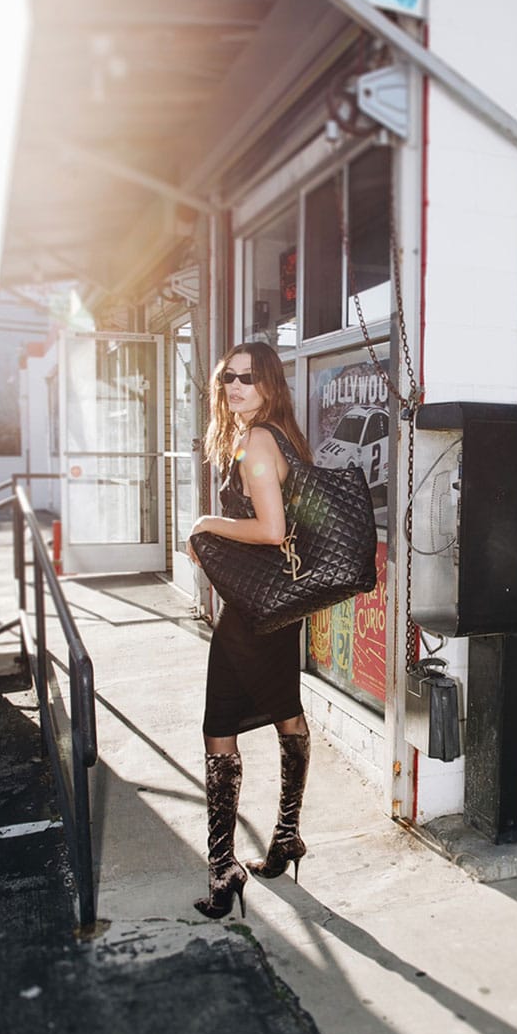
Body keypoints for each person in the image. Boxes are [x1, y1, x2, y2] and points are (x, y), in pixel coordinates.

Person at [187, 341, 313, 919]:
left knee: (219, 725)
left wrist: (206, 525)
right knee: (285, 711)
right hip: (273, 609)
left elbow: (270, 528)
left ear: (269, 384)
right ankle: (284, 837)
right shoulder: (279, 433)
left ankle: (224, 866)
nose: (234, 386)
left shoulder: (260, 439)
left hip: (253, 614)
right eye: (226, 378)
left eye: (247, 377)